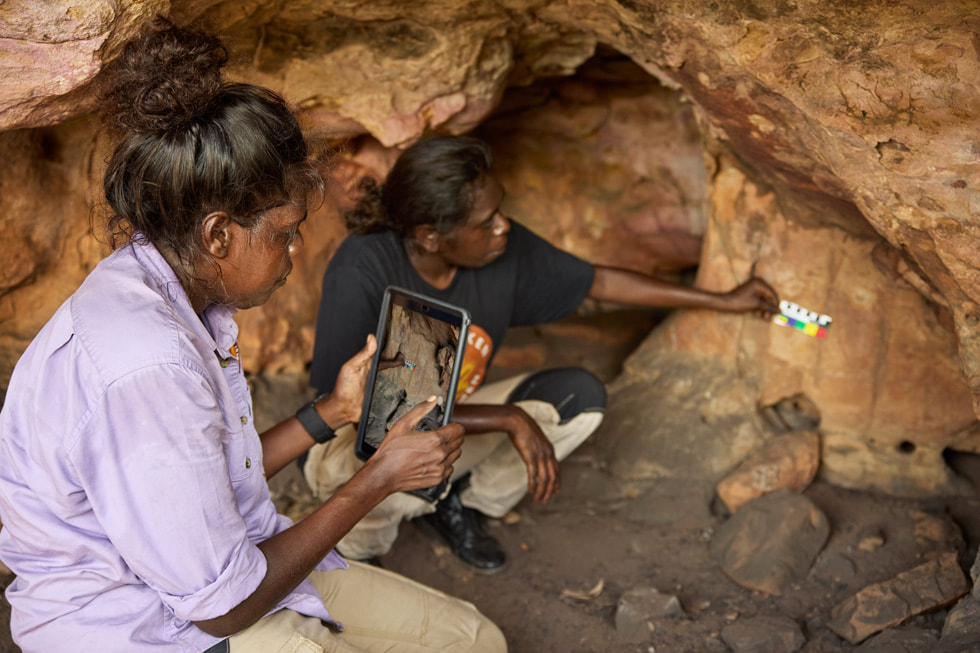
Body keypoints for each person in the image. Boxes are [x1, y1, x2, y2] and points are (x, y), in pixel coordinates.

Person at [0, 26, 505, 653]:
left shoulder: (164, 285)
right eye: (284, 233)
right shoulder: (148, 367)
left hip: (233, 572)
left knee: (474, 640)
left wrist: (334, 411)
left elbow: (203, 478)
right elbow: (221, 608)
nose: (293, 254)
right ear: (217, 235)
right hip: (147, 628)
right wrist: (376, 480)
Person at [305, 137, 779, 573]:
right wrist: (508, 417)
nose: (503, 227)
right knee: (367, 475)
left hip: (450, 421)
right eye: (485, 223)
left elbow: (598, 284)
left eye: (500, 211)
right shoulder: (363, 269)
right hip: (357, 439)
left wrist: (723, 299)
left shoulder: (499, 251)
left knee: (577, 398)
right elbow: (356, 410)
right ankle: (356, 552)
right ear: (430, 236)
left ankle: (460, 503)